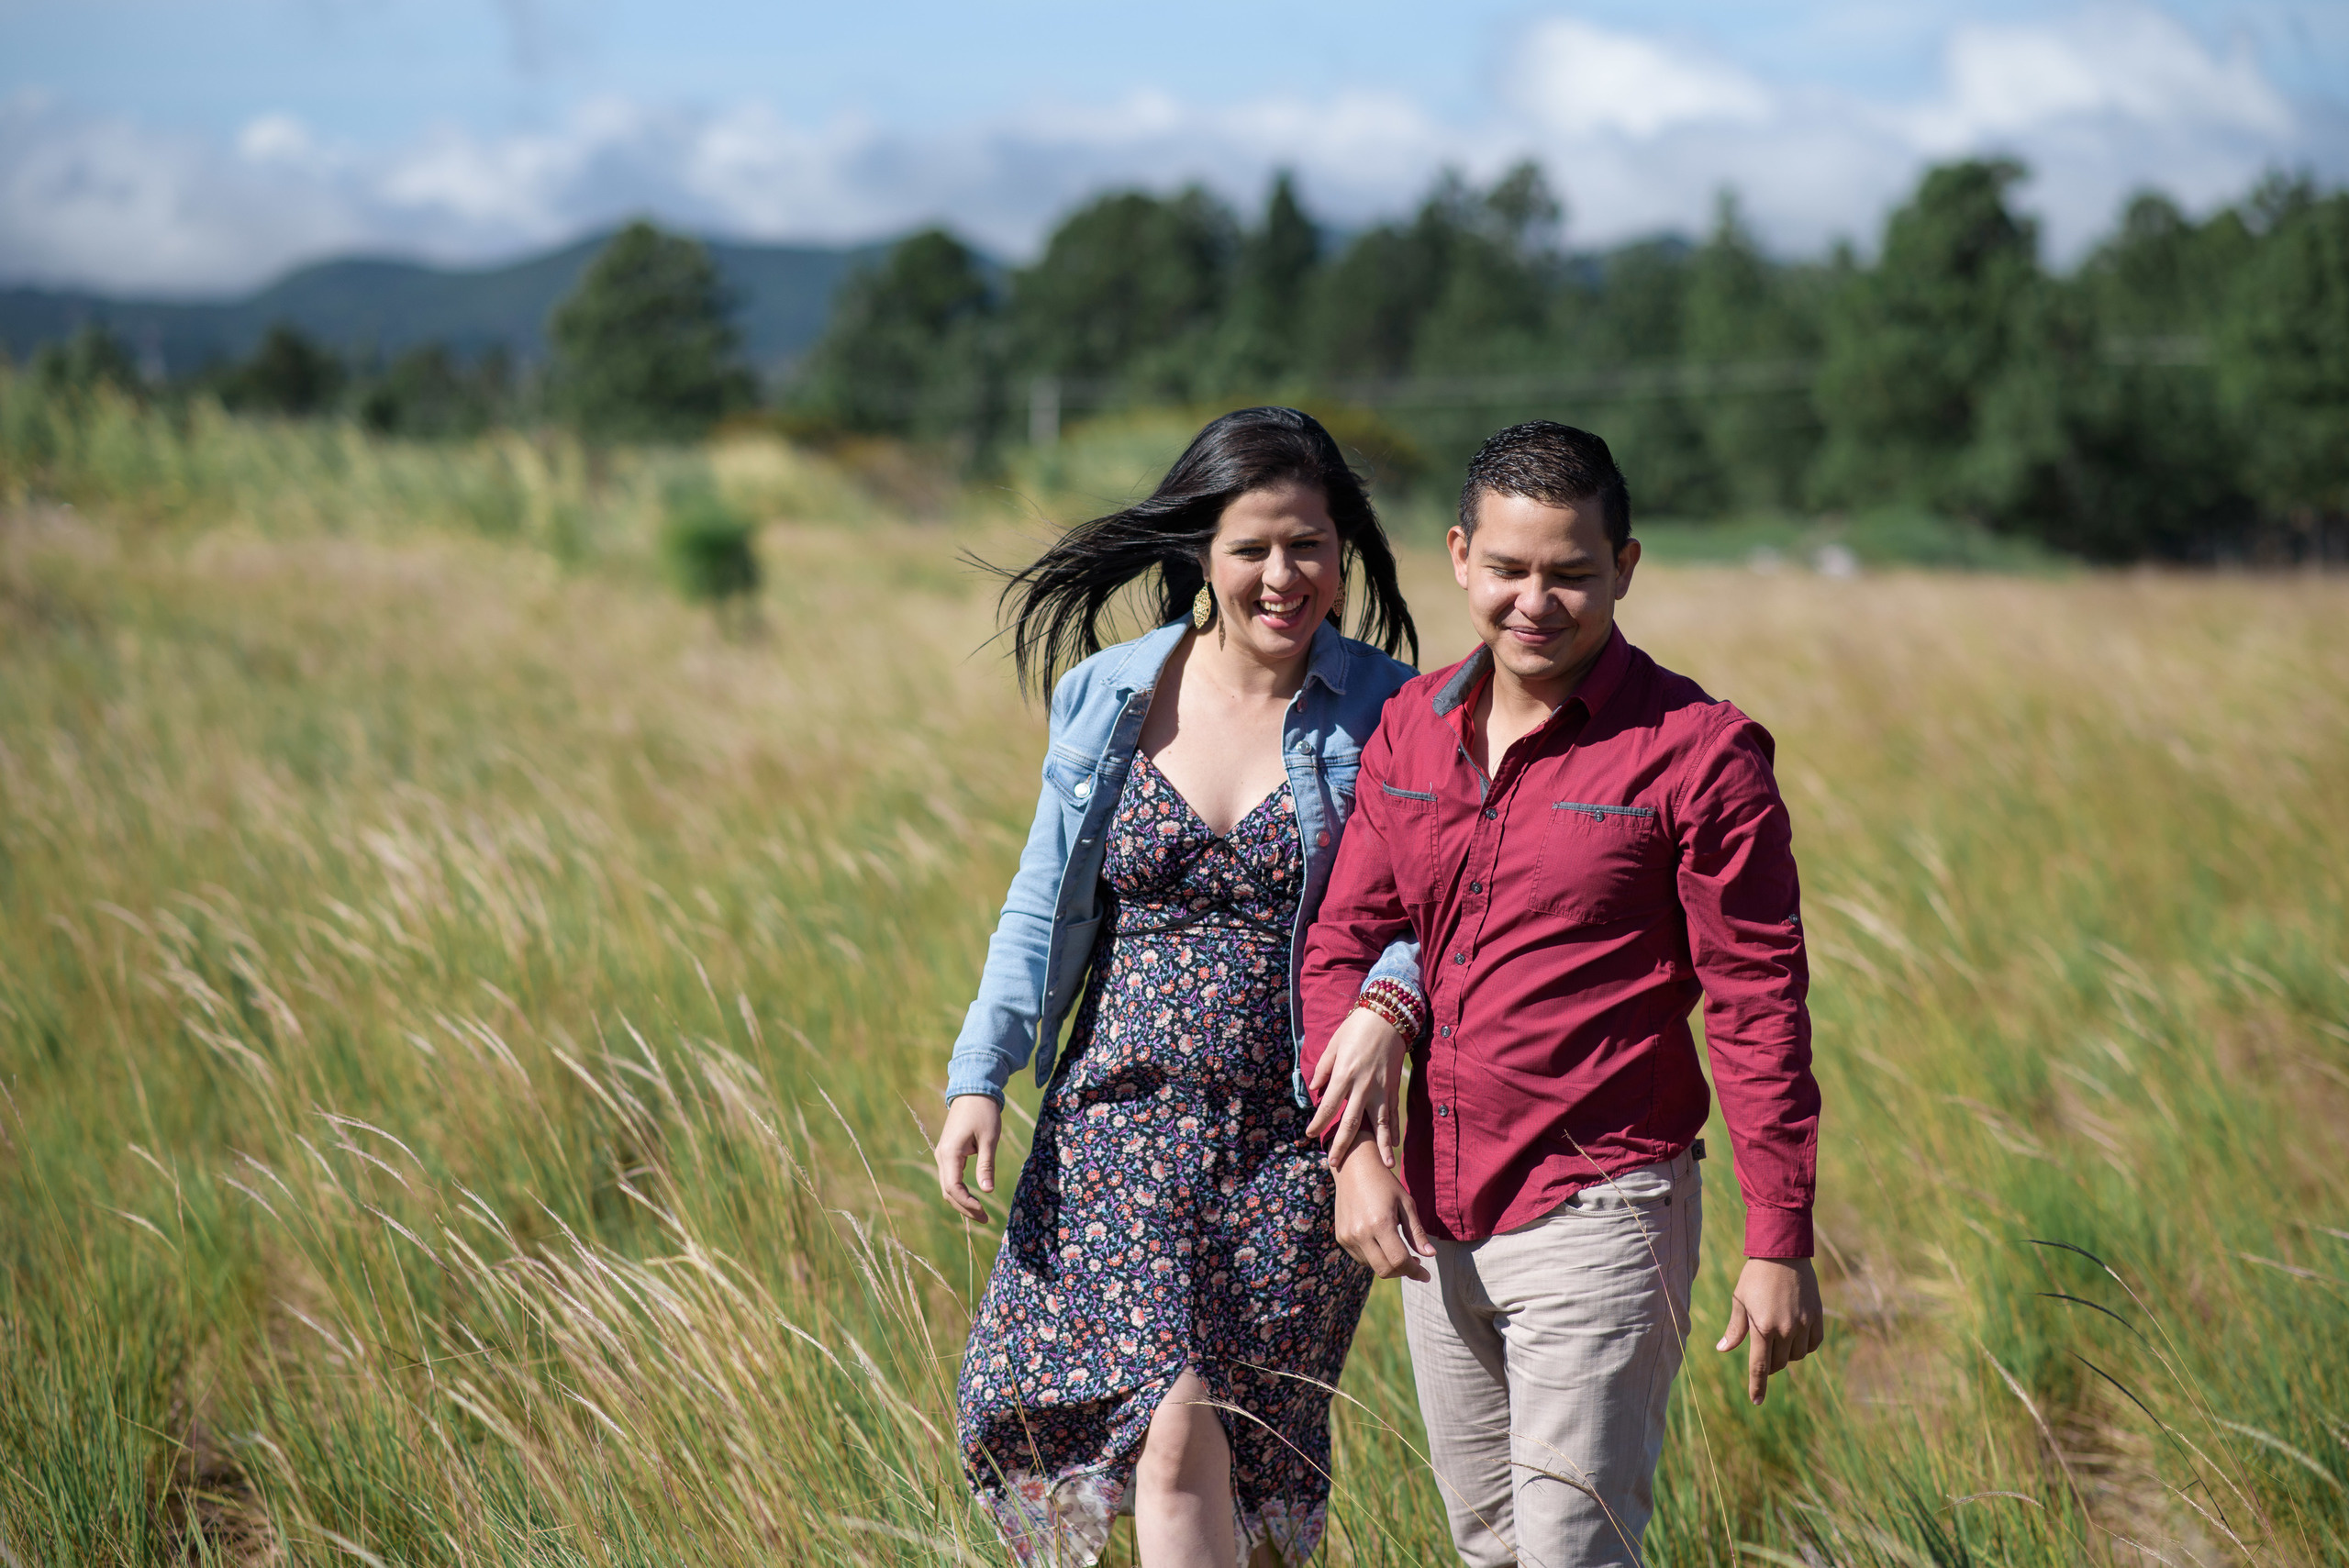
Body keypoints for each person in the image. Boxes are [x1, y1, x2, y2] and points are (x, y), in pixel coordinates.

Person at [1300, 421, 1825, 1568]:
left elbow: (1755, 1006)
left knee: (1573, 1551)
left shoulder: (1700, 753)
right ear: (1459, 557)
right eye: (1508, 569)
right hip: (1436, 1220)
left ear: (1623, 568)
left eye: (1571, 573)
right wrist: (1353, 1155)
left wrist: (1778, 1235)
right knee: (1491, 1542)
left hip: (1602, 1203)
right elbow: (1345, 938)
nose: (1535, 601)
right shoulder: (1412, 725)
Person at [935, 406, 1430, 1567]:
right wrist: (981, 1071)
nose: (1281, 574)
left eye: (1307, 544)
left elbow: (1441, 905)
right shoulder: (1110, 691)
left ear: (1343, 550)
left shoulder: (1395, 708)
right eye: (1252, 545)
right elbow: (1038, 898)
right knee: (1169, 1429)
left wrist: (1386, 1002)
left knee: (1247, 1457)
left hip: (1296, 1134)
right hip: (1117, 1116)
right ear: (1200, 550)